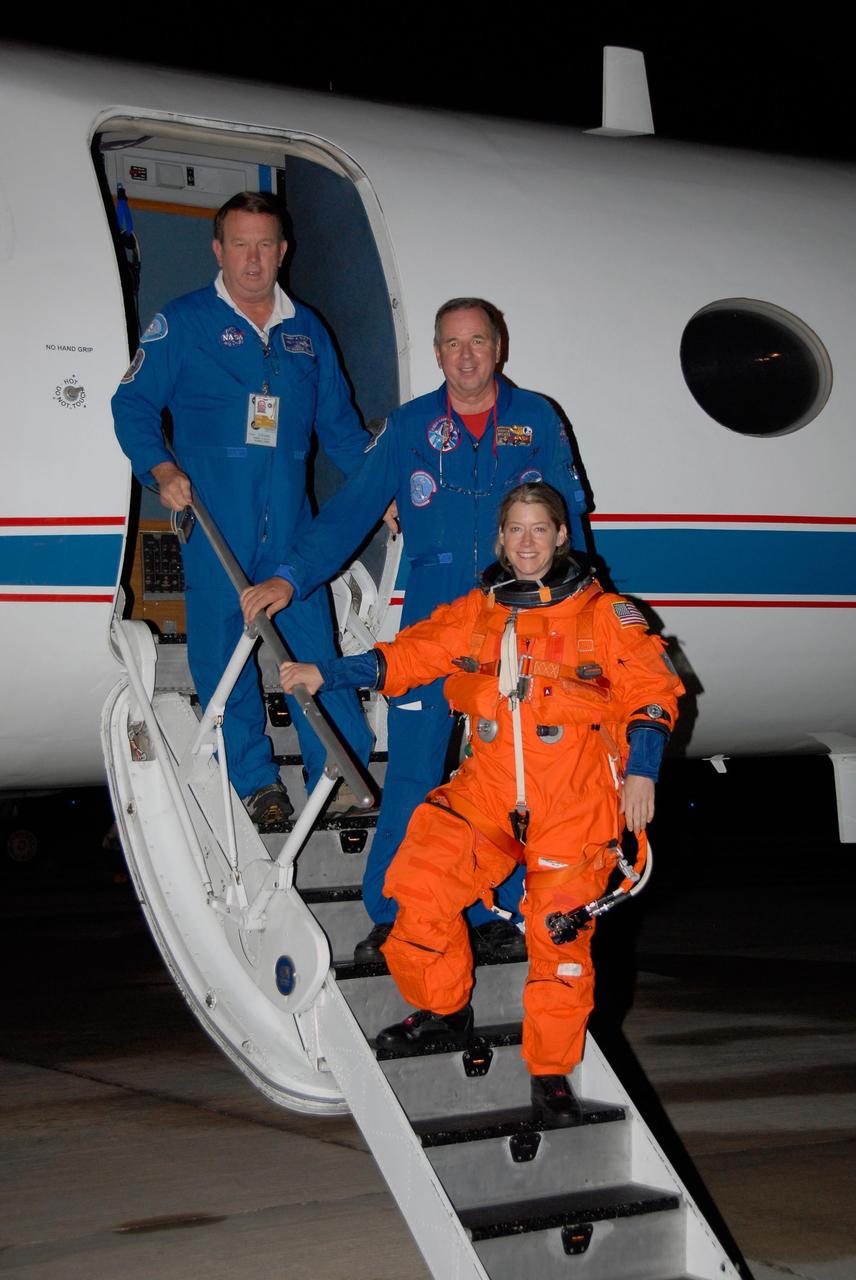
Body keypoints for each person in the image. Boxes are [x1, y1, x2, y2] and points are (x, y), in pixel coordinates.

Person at [279, 483, 683, 1126]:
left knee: (562, 940)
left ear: (559, 536)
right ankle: (444, 1008)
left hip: (573, 800)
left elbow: (654, 691)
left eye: (539, 530)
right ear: (501, 539)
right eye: (515, 530)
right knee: (418, 879)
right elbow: (407, 656)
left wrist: (643, 773)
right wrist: (327, 672)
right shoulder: (478, 613)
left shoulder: (603, 616)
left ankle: (551, 1076)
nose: (527, 543)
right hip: (490, 789)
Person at [240, 298, 588, 957]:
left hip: (517, 624)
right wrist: (291, 575)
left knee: (509, 773)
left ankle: (495, 910)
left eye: (477, 342)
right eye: (452, 344)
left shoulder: (537, 419)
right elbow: (349, 512)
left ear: (498, 347)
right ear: (436, 354)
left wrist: (582, 613)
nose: (465, 356)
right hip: (434, 622)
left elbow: (570, 528)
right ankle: (396, 909)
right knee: (413, 771)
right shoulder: (410, 428)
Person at [112, 191, 373, 830]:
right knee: (223, 661)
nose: (253, 260)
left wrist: (381, 488)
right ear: (218, 249)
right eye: (240, 245)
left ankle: (338, 772)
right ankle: (255, 781)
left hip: (293, 532)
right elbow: (133, 404)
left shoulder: (308, 332)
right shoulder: (185, 322)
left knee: (315, 648)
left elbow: (340, 429)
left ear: (283, 252)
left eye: (265, 245)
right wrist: (163, 468)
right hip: (216, 526)